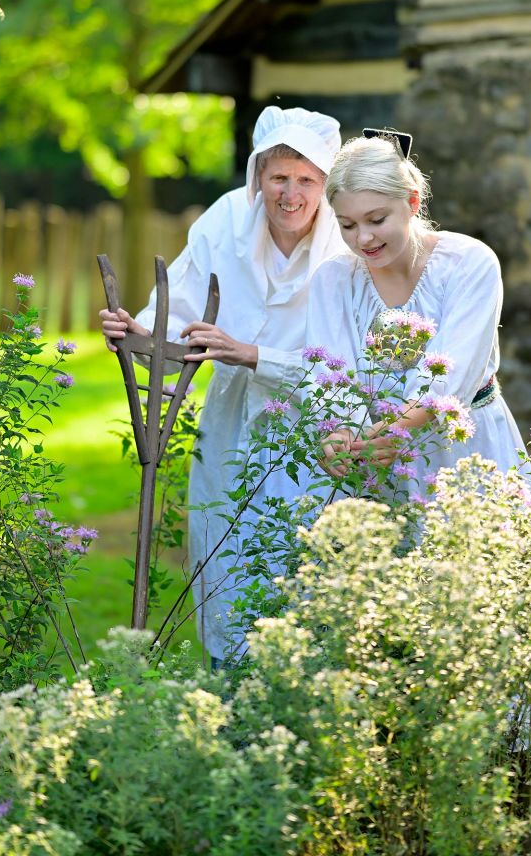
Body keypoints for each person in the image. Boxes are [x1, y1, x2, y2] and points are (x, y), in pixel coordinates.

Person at [99, 105, 346, 661]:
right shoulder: (226, 220)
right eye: (278, 176)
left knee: (306, 566)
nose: (291, 193)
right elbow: (175, 318)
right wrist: (136, 334)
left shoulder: (345, 243)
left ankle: (300, 704)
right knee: (226, 559)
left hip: (318, 430)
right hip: (231, 421)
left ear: (325, 185)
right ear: (257, 175)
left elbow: (349, 371)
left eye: (306, 180)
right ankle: (231, 694)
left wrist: (258, 356)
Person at [304, 132, 526, 486]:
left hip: (464, 450)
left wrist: (400, 428)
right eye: (347, 225)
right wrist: (339, 432)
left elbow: (453, 376)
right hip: (372, 456)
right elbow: (330, 375)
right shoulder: (332, 280)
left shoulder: (469, 264)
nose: (363, 238)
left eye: (376, 220)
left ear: (411, 201)